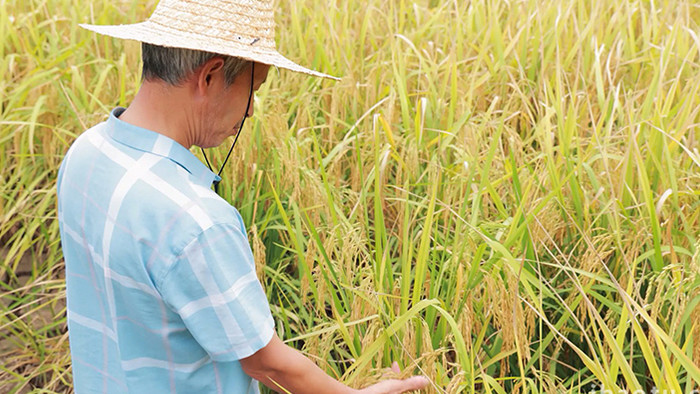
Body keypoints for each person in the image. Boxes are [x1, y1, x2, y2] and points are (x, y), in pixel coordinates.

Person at [56, 0, 430, 393]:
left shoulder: (86, 152)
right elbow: (266, 362)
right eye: (254, 88)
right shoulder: (194, 220)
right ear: (211, 75)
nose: (251, 110)